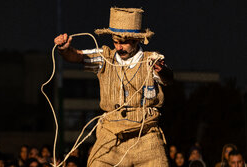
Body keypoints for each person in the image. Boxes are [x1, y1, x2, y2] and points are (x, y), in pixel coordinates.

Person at [54, 7, 173, 166]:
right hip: (111, 134)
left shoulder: (151, 59)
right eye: (115, 42)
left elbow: (168, 78)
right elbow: (77, 56)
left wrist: (162, 70)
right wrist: (65, 50)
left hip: (146, 135)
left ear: (136, 40)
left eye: (123, 43)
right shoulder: (105, 58)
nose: (118, 47)